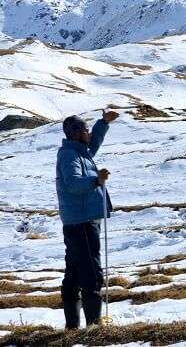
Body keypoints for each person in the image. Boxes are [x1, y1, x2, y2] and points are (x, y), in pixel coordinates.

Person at [56, 108, 119, 329]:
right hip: (82, 222)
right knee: (91, 272)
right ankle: (94, 328)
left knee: (74, 273)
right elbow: (73, 184)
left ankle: (72, 328)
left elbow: (93, 145)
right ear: (75, 133)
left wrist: (104, 123)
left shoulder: (79, 152)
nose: (88, 131)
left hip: (78, 220)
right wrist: (95, 181)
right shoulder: (69, 156)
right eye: (85, 128)